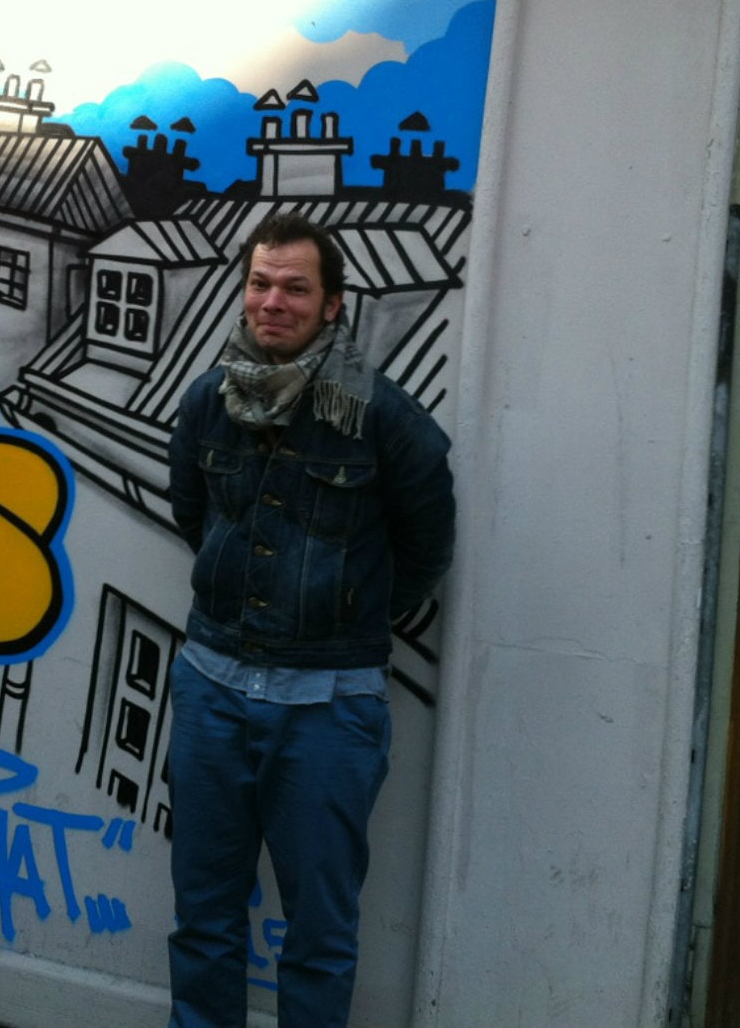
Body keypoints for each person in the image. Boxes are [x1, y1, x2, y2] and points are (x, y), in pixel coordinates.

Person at [165, 211, 456, 1028]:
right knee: (203, 917)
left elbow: (427, 546)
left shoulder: (382, 417)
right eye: (260, 283)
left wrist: (348, 610)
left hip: (328, 705)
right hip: (213, 691)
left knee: (319, 933)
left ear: (333, 304)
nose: (273, 301)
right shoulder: (207, 400)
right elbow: (194, 512)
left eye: (295, 287)